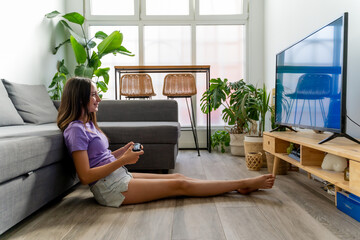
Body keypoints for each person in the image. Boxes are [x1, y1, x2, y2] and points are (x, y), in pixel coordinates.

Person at [57, 77, 275, 208]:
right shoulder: (75, 130)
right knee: (179, 185)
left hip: (116, 176)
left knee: (178, 177)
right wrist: (123, 160)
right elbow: (85, 177)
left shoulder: (87, 124)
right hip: (110, 189)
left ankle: (238, 186)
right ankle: (241, 184)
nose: (99, 98)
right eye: (94, 95)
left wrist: (119, 153)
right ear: (79, 99)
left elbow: (98, 160)